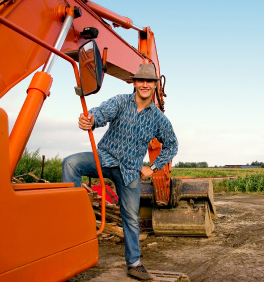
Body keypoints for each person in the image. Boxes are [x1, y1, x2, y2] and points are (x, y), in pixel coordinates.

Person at [62, 64, 178, 281]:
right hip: (104, 159)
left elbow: (172, 145)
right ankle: (74, 225)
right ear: (134, 82)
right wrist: (91, 119)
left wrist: (152, 168)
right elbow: (101, 113)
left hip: (130, 171)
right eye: (140, 80)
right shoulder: (120, 101)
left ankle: (134, 263)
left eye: (149, 81)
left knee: (131, 218)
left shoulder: (159, 119)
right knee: (70, 163)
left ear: (154, 85)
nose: (144, 84)